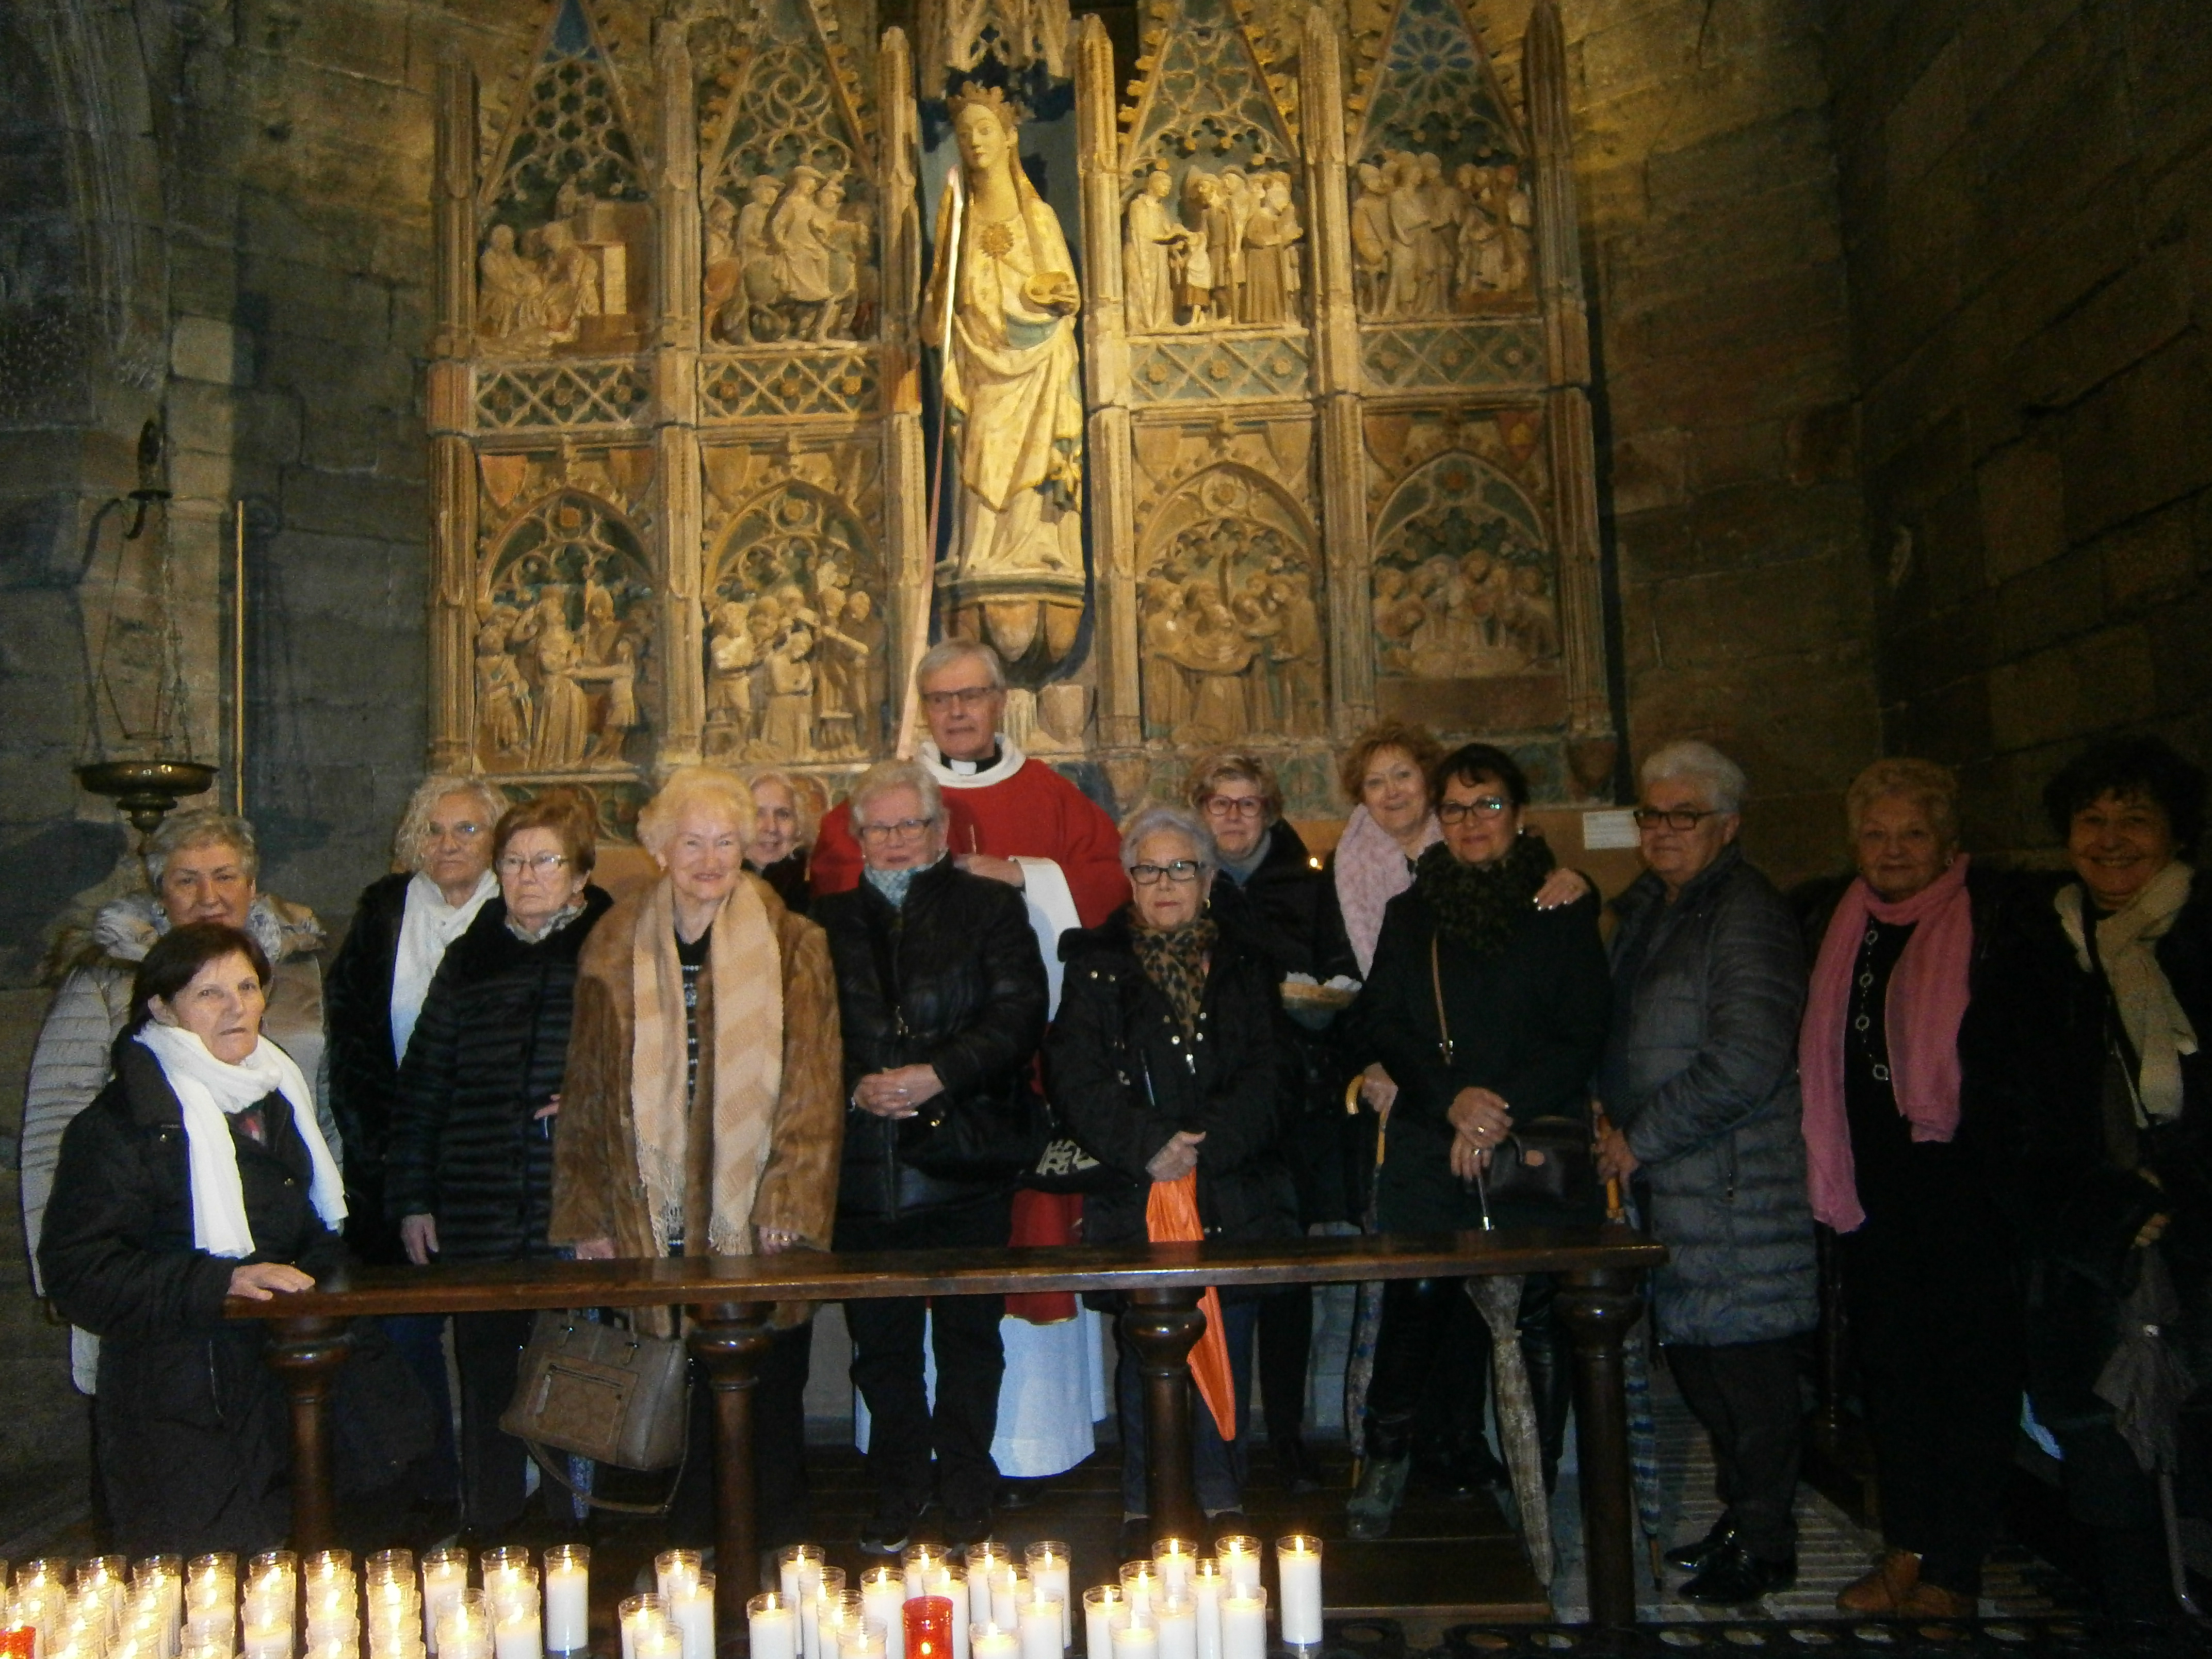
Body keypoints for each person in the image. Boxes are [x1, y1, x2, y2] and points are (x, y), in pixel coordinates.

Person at [814, 639, 1128, 1483]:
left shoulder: (1049, 794)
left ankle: (1009, 1457)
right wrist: (866, 1084)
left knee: (976, 1314)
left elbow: (1107, 883)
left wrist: (1023, 875)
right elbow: (830, 927)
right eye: (940, 698)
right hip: (876, 1145)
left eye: (971, 696)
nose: (956, 712)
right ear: (922, 708)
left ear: (1000, 700)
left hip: (998, 1100)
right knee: (885, 1331)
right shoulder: (876, 797)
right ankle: (900, 1474)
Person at [550, 766, 842, 1553]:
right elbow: (587, 1089)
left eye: (725, 842)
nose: (710, 860)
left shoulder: (794, 941)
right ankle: (686, 1549)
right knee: (671, 1383)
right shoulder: (614, 941)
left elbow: (814, 1087)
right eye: (692, 843)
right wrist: (586, 1215)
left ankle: (775, 1549)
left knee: (767, 1383)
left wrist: (789, 1203)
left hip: (754, 1211)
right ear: (659, 849)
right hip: (650, 1203)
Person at [1963, 735, 2212, 1620]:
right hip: (2086, 1278)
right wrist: (2097, 1212)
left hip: (2198, 1262)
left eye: (2133, 820)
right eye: (2090, 820)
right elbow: (1998, 1120)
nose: (2109, 840)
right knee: (2115, 1485)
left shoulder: (2201, 942)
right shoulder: (2036, 954)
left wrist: (2177, 1195)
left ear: (2175, 833)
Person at [1344, 744, 1612, 1538]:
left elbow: (1581, 1031)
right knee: (1421, 1294)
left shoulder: (1558, 906)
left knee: (1533, 1309)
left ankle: (1533, 1474)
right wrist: (1453, 1103)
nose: (1471, 823)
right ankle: (1392, 1456)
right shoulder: (1414, 909)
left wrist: (1498, 1114)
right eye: (1456, 809)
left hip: (1529, 1139)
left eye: (1487, 805)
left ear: (1518, 814)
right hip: (1434, 1136)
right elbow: (1384, 1019)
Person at [1791, 758, 2024, 1616]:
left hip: (1962, 1187)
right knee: (1892, 1375)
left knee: (1968, 1377)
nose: (1892, 850)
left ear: (1946, 840)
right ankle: (1904, 1548)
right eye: (1875, 834)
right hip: (1870, 1188)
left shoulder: (1990, 920)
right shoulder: (1839, 918)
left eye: (1912, 834)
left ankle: (1953, 1569)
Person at [39, 922, 345, 1554]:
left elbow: (307, 1228)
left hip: (278, 1386)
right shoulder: (123, 1125)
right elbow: (79, 1273)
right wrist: (218, 1280)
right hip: (177, 1402)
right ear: (162, 1007)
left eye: (248, 987)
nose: (237, 1007)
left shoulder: (274, 1097)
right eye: (210, 994)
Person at [1594, 740, 1816, 1603]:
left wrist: (1640, 1137)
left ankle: (1766, 1543)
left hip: (1733, 1185)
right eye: (1651, 814)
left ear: (1727, 824)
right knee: (1700, 1364)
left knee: (1748, 1374)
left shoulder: (1745, 912)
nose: (1662, 830)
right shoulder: (1660, 907)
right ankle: (1739, 1517)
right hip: (1678, 1184)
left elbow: (1747, 1059)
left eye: (1682, 815)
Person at [816, 759, 1050, 1551]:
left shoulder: (989, 907)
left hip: (965, 1161)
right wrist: (855, 1085)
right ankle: (899, 1484)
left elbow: (1020, 1014)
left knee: (968, 1340)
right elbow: (800, 1033)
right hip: (863, 1168)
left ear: (940, 830)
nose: (894, 840)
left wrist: (936, 1075)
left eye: (909, 825)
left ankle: (967, 1483)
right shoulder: (824, 923)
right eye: (877, 827)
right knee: (881, 1348)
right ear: (858, 837)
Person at [22, 809, 337, 1396]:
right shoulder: (105, 978)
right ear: (160, 893)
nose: (209, 896)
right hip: (160, 1253)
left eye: (225, 876)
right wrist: (60, 1277)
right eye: (187, 880)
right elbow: (53, 1127)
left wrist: (327, 1225)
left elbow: (318, 1109)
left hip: (280, 1245)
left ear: (252, 886)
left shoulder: (298, 971)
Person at [1049, 802, 1296, 1550]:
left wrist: (1205, 1145)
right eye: (1149, 870)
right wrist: (1151, 1145)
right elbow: (1076, 1078)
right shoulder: (1095, 966)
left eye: (1180, 869)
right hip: (1139, 1190)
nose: (1164, 885)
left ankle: (1222, 1496)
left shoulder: (1248, 964)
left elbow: (1274, 1074)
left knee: (1230, 1340)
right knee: (1145, 1351)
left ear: (1208, 880)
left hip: (1231, 1189)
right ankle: (1144, 1500)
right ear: (1130, 880)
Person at [385, 790, 613, 1536]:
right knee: (485, 1370)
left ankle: (577, 1531)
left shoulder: (611, 948)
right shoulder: (470, 956)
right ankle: (492, 1529)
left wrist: (597, 1101)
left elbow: (655, 1067)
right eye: (513, 862)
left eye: (546, 861)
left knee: (575, 1369)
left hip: (572, 1201)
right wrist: (414, 1197)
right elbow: (424, 1082)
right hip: (477, 1200)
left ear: (579, 875)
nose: (527, 876)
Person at [321, 774, 502, 1508]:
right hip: (400, 1159)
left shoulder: (522, 905)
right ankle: (428, 1490)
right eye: (434, 829)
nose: (448, 843)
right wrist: (387, 1157)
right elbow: (353, 1035)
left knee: (497, 1338)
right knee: (403, 1330)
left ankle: (503, 1495)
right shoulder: (384, 909)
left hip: (496, 1167)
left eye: (467, 829)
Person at [1183, 750, 1356, 1493]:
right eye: (1219, 803)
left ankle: (1286, 1433)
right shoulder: (1186, 880)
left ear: (1269, 811)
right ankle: (1218, 1438)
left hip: (1298, 1103)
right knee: (1218, 1273)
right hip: (1217, 1104)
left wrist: (1322, 998)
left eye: (1247, 803)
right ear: (1200, 811)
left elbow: (1342, 968)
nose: (1233, 816)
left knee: (1289, 1279)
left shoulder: (1309, 885)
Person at [744, 767, 817, 916]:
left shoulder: (820, 897)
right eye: (758, 814)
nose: (771, 827)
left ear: (798, 825)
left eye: (783, 814)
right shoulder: (713, 892)